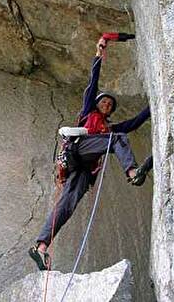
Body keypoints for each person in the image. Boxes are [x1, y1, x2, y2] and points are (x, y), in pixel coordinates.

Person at [29, 37, 152, 271]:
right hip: (78, 149)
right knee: (116, 139)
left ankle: (41, 247)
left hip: (84, 169)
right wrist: (99, 53)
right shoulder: (89, 112)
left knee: (67, 205)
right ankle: (132, 172)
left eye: (110, 104)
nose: (107, 105)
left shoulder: (111, 129)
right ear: (97, 104)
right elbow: (93, 83)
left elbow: (135, 123)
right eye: (104, 102)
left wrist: (153, 105)